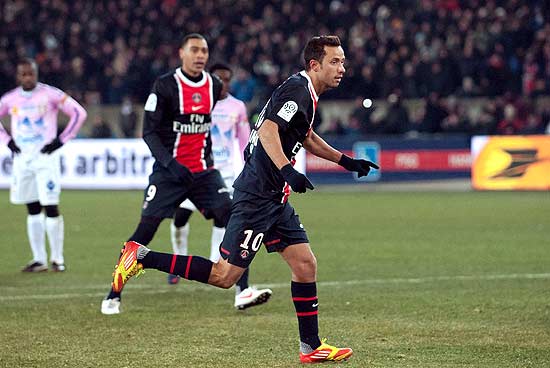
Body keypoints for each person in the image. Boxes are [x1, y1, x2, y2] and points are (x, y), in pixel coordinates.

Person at [109, 35, 378, 362]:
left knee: (305, 265)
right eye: (335, 62)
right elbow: (267, 129)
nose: (342, 68)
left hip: (275, 198)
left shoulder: (306, 93)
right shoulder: (297, 89)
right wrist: (287, 170)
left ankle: (311, 348)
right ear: (314, 65)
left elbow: (304, 135)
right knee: (225, 277)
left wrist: (345, 161)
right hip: (257, 196)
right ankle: (141, 257)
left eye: (342, 61)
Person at [100, 33, 260, 315]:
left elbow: (204, 128)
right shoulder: (164, 85)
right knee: (145, 231)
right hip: (169, 174)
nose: (200, 56)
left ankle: (242, 290)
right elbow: (149, 133)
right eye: (195, 50)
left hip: (202, 173)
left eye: (204, 51)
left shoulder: (213, 85)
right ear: (181, 53)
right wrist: (172, 165)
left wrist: (207, 160)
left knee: (234, 218)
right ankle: (114, 292)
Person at [168, 62, 272, 310]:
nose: (223, 83)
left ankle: (233, 279)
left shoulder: (237, 107)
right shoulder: (196, 102)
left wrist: (251, 165)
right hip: (195, 173)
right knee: (180, 218)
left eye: (227, 79)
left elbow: (245, 140)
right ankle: (179, 260)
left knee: (228, 221)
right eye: (219, 78)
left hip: (222, 175)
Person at [0, 58, 87, 272]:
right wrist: (7, 140)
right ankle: (39, 259)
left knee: (50, 205)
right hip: (23, 159)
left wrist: (61, 140)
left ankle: (57, 259)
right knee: (32, 207)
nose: (28, 78)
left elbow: (79, 113)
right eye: (24, 74)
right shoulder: (10, 99)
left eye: (31, 73)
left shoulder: (50, 94)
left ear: (36, 74)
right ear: (18, 76)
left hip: (45, 158)